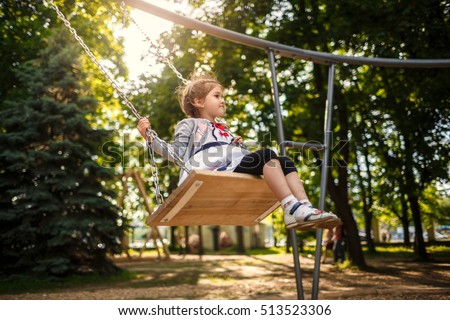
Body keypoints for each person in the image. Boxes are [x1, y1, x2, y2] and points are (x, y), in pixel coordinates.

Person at [137, 73, 341, 230]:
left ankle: (303, 207)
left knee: (285, 161)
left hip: (229, 167)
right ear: (199, 102)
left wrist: (233, 146)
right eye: (217, 96)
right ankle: (291, 207)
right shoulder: (190, 124)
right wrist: (150, 139)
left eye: (222, 96)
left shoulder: (223, 128)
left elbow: (224, 150)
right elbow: (177, 154)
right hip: (209, 171)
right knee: (267, 155)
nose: (223, 100)